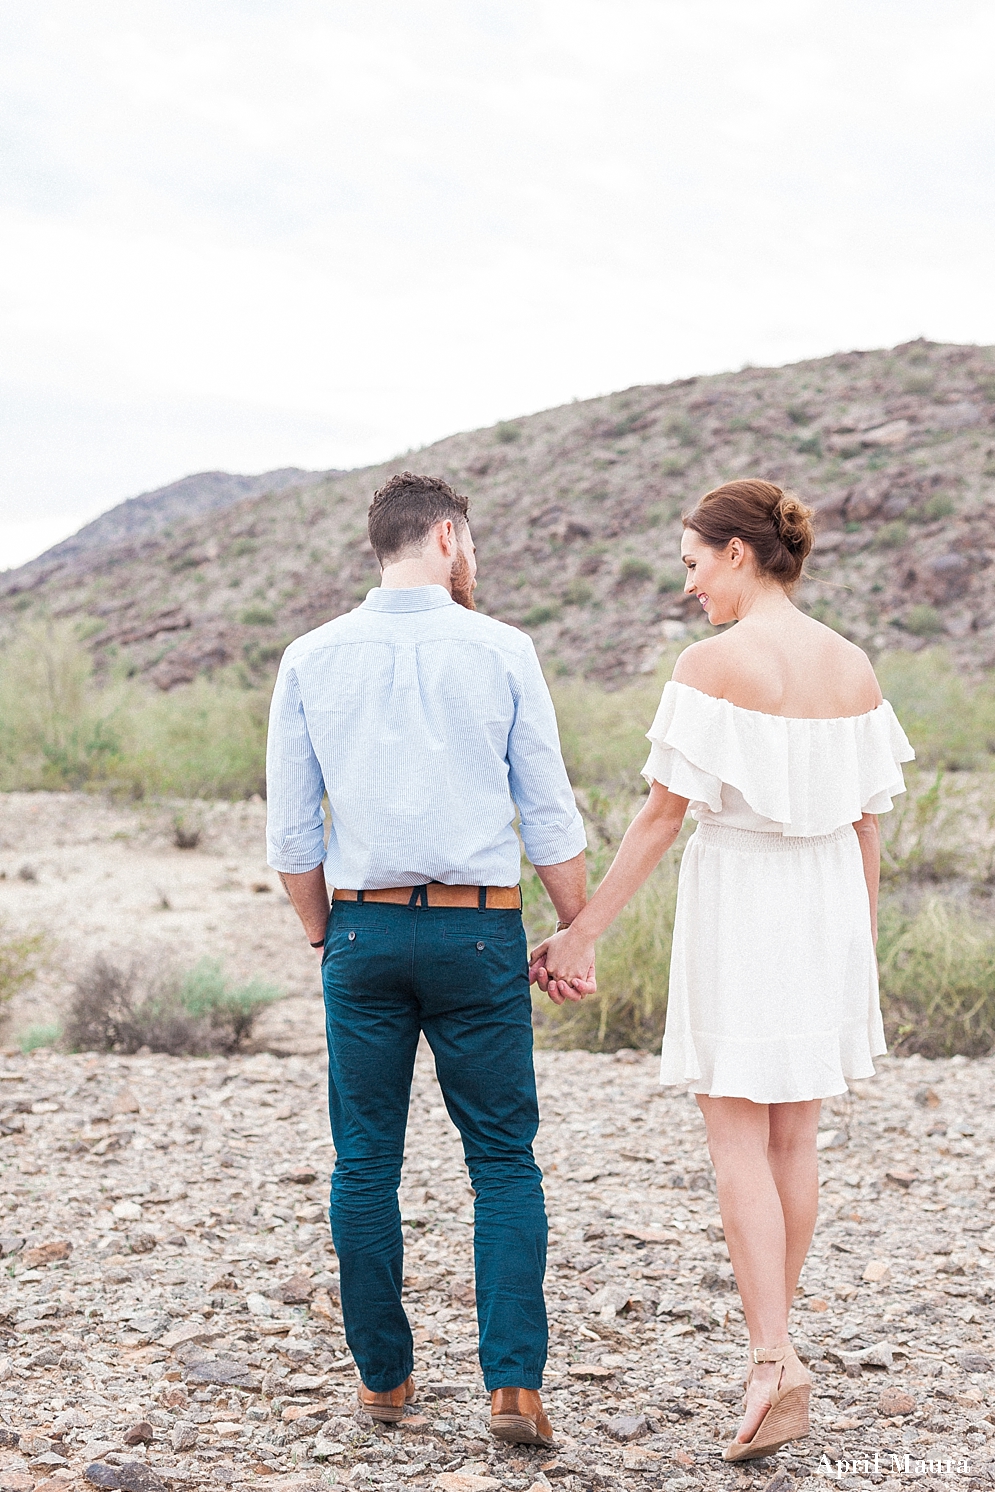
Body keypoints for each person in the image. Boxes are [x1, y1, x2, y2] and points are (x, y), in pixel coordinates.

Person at [530, 479, 914, 1462]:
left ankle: (769, 1357)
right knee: (794, 1139)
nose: (688, 584)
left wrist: (579, 934)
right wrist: (854, 948)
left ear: (737, 553)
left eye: (694, 563)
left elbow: (661, 817)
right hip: (828, 899)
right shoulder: (852, 663)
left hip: (742, 896)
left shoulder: (713, 662)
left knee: (737, 1136)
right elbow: (868, 822)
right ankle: (775, 1350)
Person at [265, 471, 591, 1447]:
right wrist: (573, 927)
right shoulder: (500, 649)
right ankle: (512, 1386)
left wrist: (327, 935)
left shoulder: (310, 656)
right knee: (500, 1157)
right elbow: (547, 812)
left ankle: (384, 1381)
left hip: (361, 932)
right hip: (475, 930)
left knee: (364, 1159)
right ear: (447, 537)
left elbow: (291, 834)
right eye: (471, 544)